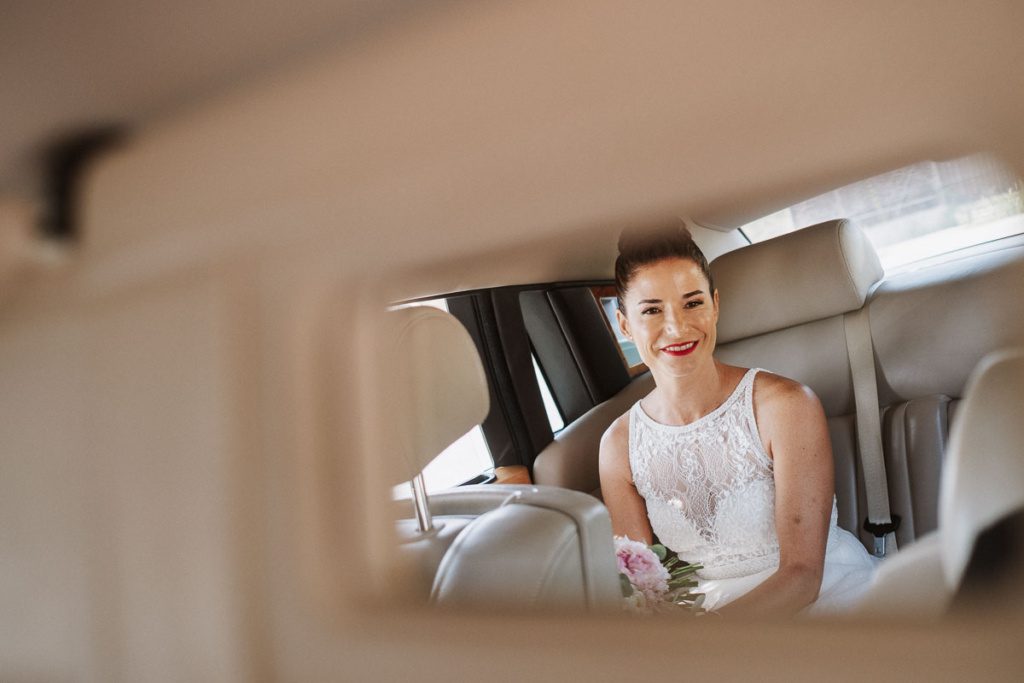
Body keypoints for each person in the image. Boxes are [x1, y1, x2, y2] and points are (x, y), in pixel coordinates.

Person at [599, 222, 878, 616]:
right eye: (651, 310)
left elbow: (802, 576)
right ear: (624, 324)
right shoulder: (617, 446)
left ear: (715, 306)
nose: (677, 327)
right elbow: (643, 592)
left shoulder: (784, 406)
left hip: (820, 599)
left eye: (692, 303)